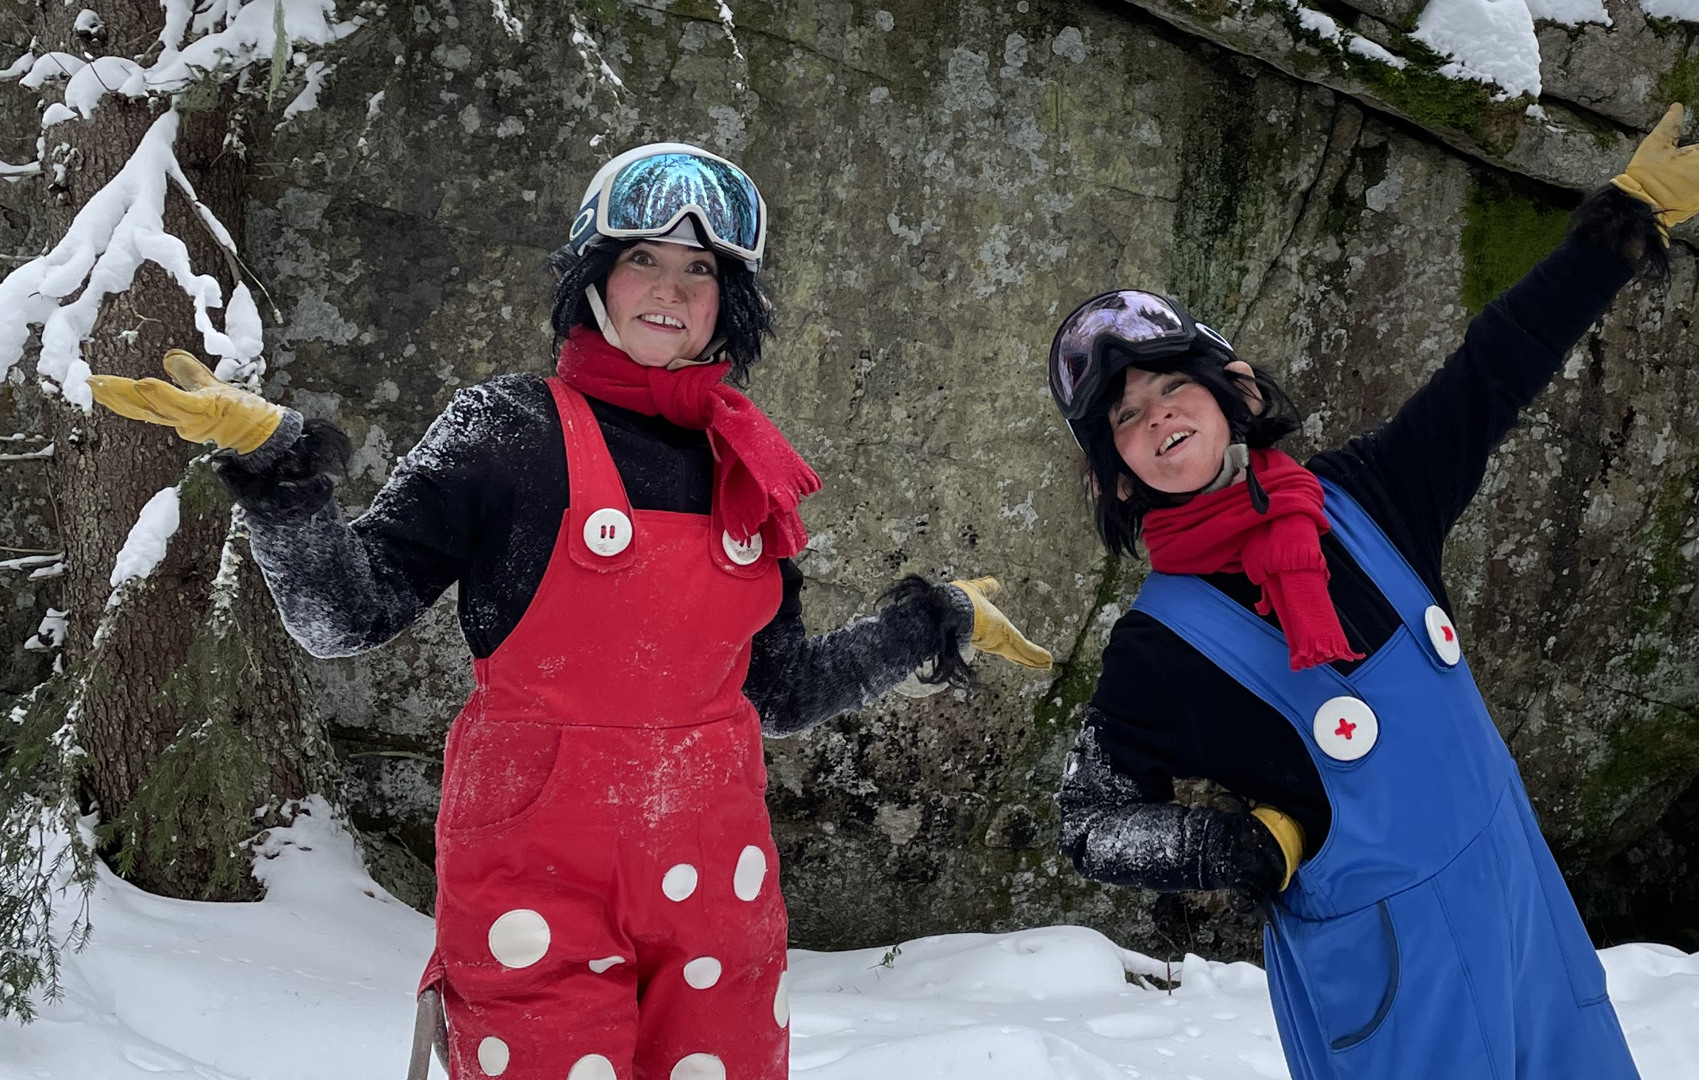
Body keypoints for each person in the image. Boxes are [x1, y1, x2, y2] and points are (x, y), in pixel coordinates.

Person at [88, 143, 1051, 1080]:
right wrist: (277, 464)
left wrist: (936, 619)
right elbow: (343, 615)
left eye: (700, 270)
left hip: (718, 883)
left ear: (730, 301)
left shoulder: (748, 466)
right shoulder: (505, 428)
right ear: (595, 277)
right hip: (535, 877)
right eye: (643, 260)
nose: (670, 290)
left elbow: (784, 691)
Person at [1048, 105, 1699, 1080]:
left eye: (1171, 386)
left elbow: (1493, 370)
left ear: (1234, 392)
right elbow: (1089, 819)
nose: (1156, 416)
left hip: (1519, 911)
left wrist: (1620, 223)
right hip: (1388, 982)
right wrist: (1233, 848)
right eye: (1125, 417)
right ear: (1118, 478)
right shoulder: (1159, 649)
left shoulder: (1371, 499)